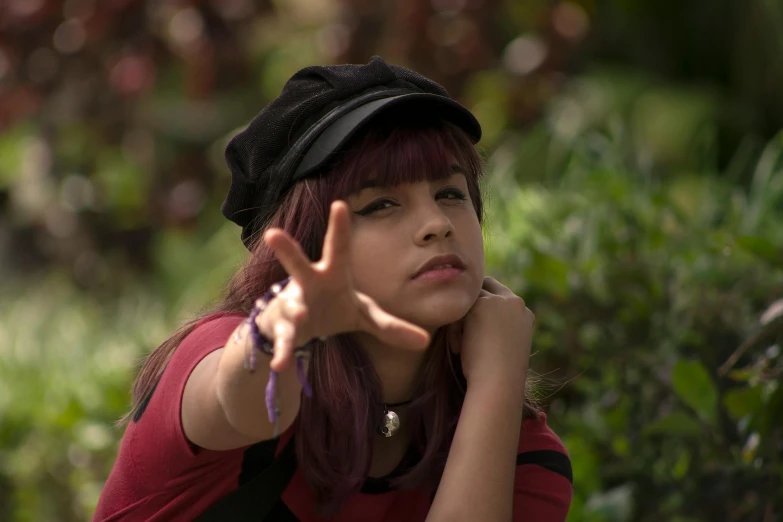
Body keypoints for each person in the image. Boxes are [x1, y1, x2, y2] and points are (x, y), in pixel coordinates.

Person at [94, 56, 573, 522]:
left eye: (451, 193)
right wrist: (277, 335)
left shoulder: (520, 456)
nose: (436, 224)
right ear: (307, 241)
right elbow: (241, 401)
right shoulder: (215, 354)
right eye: (381, 204)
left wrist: (496, 382)